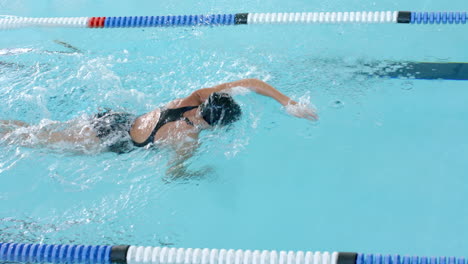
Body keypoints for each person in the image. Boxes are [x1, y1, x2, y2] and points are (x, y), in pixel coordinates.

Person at [0, 78, 318, 177]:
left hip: (115, 119)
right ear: (215, 127)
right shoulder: (188, 139)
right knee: (29, 139)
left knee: (35, 130)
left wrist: (287, 102)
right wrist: (199, 172)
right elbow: (172, 175)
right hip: (108, 139)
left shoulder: (191, 99)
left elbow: (248, 82)